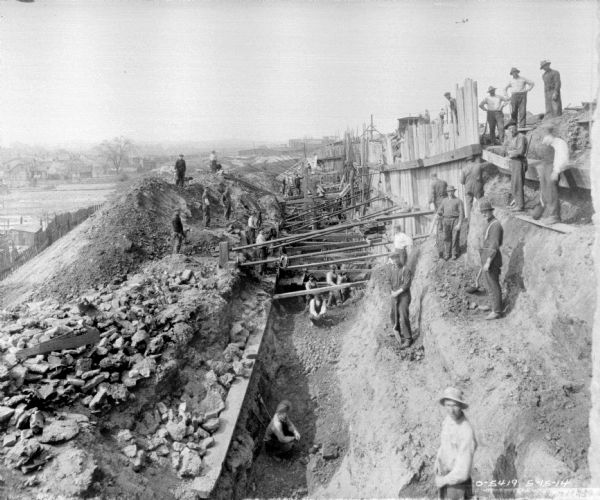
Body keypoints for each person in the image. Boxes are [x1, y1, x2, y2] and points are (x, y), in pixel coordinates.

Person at [435, 387, 477, 499]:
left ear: (461, 407)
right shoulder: (448, 420)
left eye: (455, 406)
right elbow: (444, 444)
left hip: (457, 484)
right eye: (448, 405)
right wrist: (438, 460)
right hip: (445, 476)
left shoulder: (465, 431)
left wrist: (443, 481)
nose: (451, 410)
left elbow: (463, 472)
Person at [535, 128, 569, 225]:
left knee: (552, 191)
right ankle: (550, 214)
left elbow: (563, 159)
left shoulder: (560, 143)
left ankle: (555, 216)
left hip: (557, 170)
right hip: (551, 169)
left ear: (549, 136)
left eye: (544, 138)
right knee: (547, 191)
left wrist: (556, 171)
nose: (544, 141)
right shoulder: (552, 145)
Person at [479, 198, 503, 320]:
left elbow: (494, 245)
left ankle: (497, 311)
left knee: (493, 284)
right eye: (482, 211)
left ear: (491, 211)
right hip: (486, 257)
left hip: (492, 259)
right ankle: (492, 304)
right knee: (488, 284)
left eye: (486, 211)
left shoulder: (495, 225)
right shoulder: (489, 222)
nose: (484, 213)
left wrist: (488, 261)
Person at [387, 251, 412, 349]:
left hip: (403, 296)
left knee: (403, 315)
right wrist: (391, 291)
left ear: (399, 258)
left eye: (396, 258)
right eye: (392, 259)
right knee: (393, 314)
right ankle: (397, 332)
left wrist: (397, 293)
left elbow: (407, 284)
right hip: (394, 295)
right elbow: (388, 281)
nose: (394, 260)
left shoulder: (405, 269)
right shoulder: (391, 269)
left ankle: (408, 338)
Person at [436, 186, 464, 260]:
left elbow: (461, 213)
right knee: (446, 237)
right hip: (446, 221)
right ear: (447, 192)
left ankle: (454, 253)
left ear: (454, 191)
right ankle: (447, 253)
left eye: (451, 191)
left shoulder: (458, 201)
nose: (450, 193)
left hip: (455, 220)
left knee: (455, 237)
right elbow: (440, 210)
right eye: (448, 191)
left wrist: (459, 224)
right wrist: (439, 214)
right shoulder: (444, 200)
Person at [505, 122, 528, 212]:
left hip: (519, 162)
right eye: (509, 129)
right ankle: (517, 204)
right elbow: (507, 149)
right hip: (514, 162)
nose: (511, 130)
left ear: (516, 128)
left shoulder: (521, 137)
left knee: (518, 184)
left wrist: (511, 153)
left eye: (512, 128)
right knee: (514, 184)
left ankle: (520, 205)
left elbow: (520, 151)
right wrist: (511, 152)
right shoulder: (512, 138)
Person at [429, 173, 448, 259]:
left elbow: (432, 196)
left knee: (439, 221)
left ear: (432, 177)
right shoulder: (444, 182)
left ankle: (441, 231)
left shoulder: (433, 184)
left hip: (438, 203)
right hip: (445, 202)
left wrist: (429, 202)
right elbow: (447, 193)